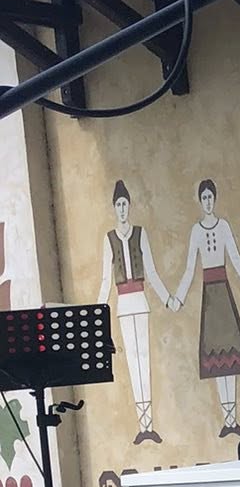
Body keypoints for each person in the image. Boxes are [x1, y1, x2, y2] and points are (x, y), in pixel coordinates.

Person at [172, 177, 240, 439]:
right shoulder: (196, 231)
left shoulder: (223, 226)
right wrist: (178, 298)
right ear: (199, 201)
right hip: (210, 299)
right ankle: (227, 420)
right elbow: (189, 267)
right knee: (217, 362)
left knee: (231, 360)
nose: (208, 202)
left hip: (224, 295)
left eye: (211, 197)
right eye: (204, 198)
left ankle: (233, 420)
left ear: (215, 198)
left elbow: (236, 259)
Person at [97, 180, 173, 443]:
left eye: (124, 204)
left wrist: (167, 298)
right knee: (132, 363)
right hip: (122, 304)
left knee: (144, 361)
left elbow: (151, 271)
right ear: (113, 207)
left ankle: (149, 426)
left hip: (140, 301)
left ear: (129, 206)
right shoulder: (109, 239)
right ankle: (143, 427)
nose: (121, 208)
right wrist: (97, 313)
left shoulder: (140, 233)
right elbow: (106, 280)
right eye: (118, 204)